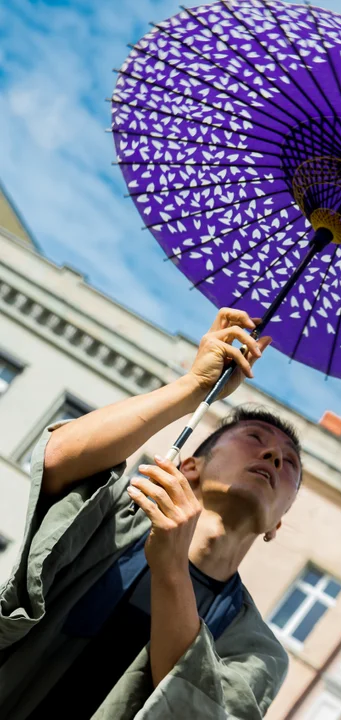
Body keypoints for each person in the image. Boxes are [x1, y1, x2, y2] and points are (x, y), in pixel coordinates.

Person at [0, 308, 303, 720]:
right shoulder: (117, 517)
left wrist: (172, 569)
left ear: (277, 524)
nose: (274, 456)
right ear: (191, 467)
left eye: (290, 464)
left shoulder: (255, 647)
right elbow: (55, 460)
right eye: (255, 438)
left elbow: (192, 714)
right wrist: (195, 385)